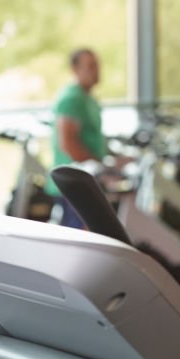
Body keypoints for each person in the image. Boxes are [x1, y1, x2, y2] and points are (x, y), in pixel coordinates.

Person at [46, 47, 106, 229]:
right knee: (78, 243)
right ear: (75, 70)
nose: (96, 71)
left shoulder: (89, 99)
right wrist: (101, 165)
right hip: (74, 185)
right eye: (90, 66)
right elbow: (68, 144)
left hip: (89, 181)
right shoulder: (71, 99)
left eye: (97, 66)